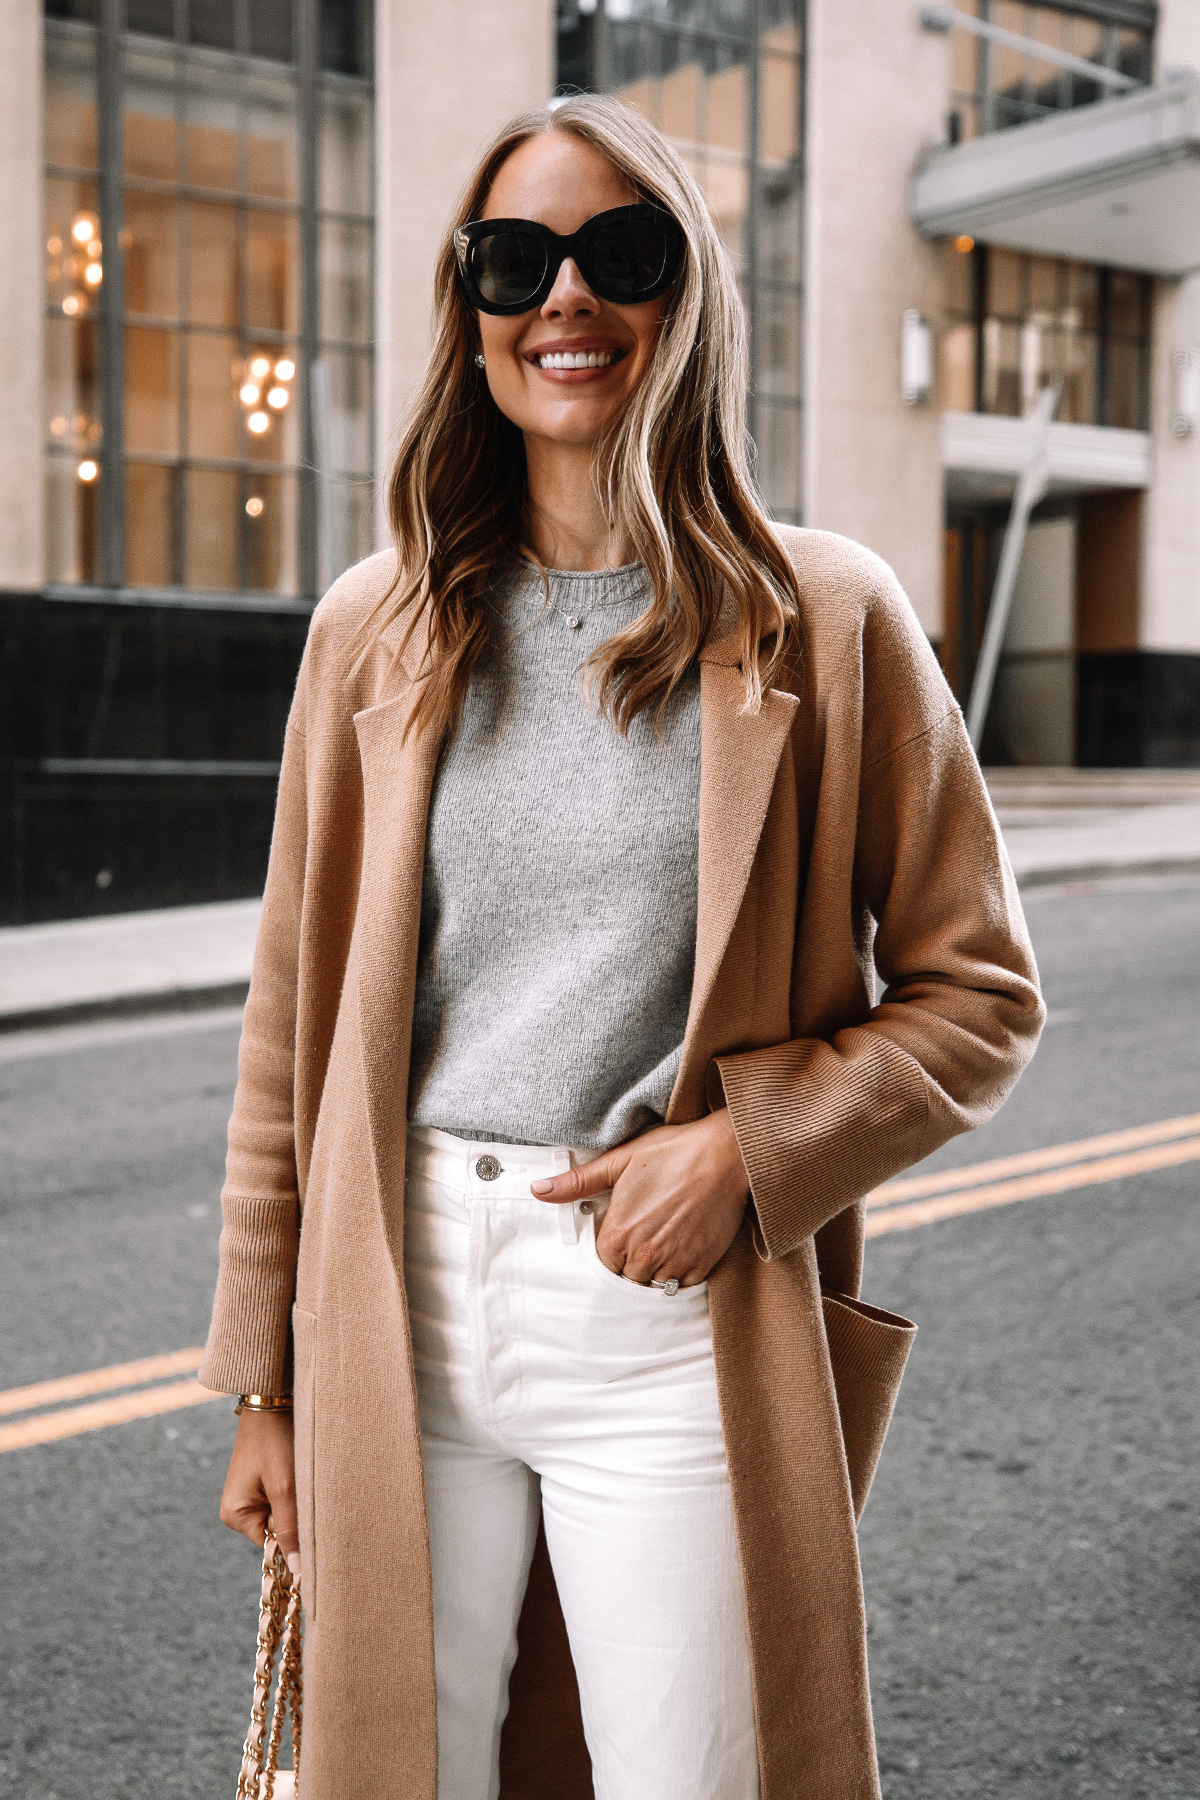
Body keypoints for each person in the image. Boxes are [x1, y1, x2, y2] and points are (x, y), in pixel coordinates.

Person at [203, 93, 1044, 1800]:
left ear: (689, 297)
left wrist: (750, 1148)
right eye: (517, 260)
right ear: (471, 307)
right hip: (400, 1302)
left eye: (620, 254)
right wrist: (262, 1378)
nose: (564, 299)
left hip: (666, 1312)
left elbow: (980, 993)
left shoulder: (825, 618)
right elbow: (287, 1021)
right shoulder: (376, 628)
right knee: (396, 1773)